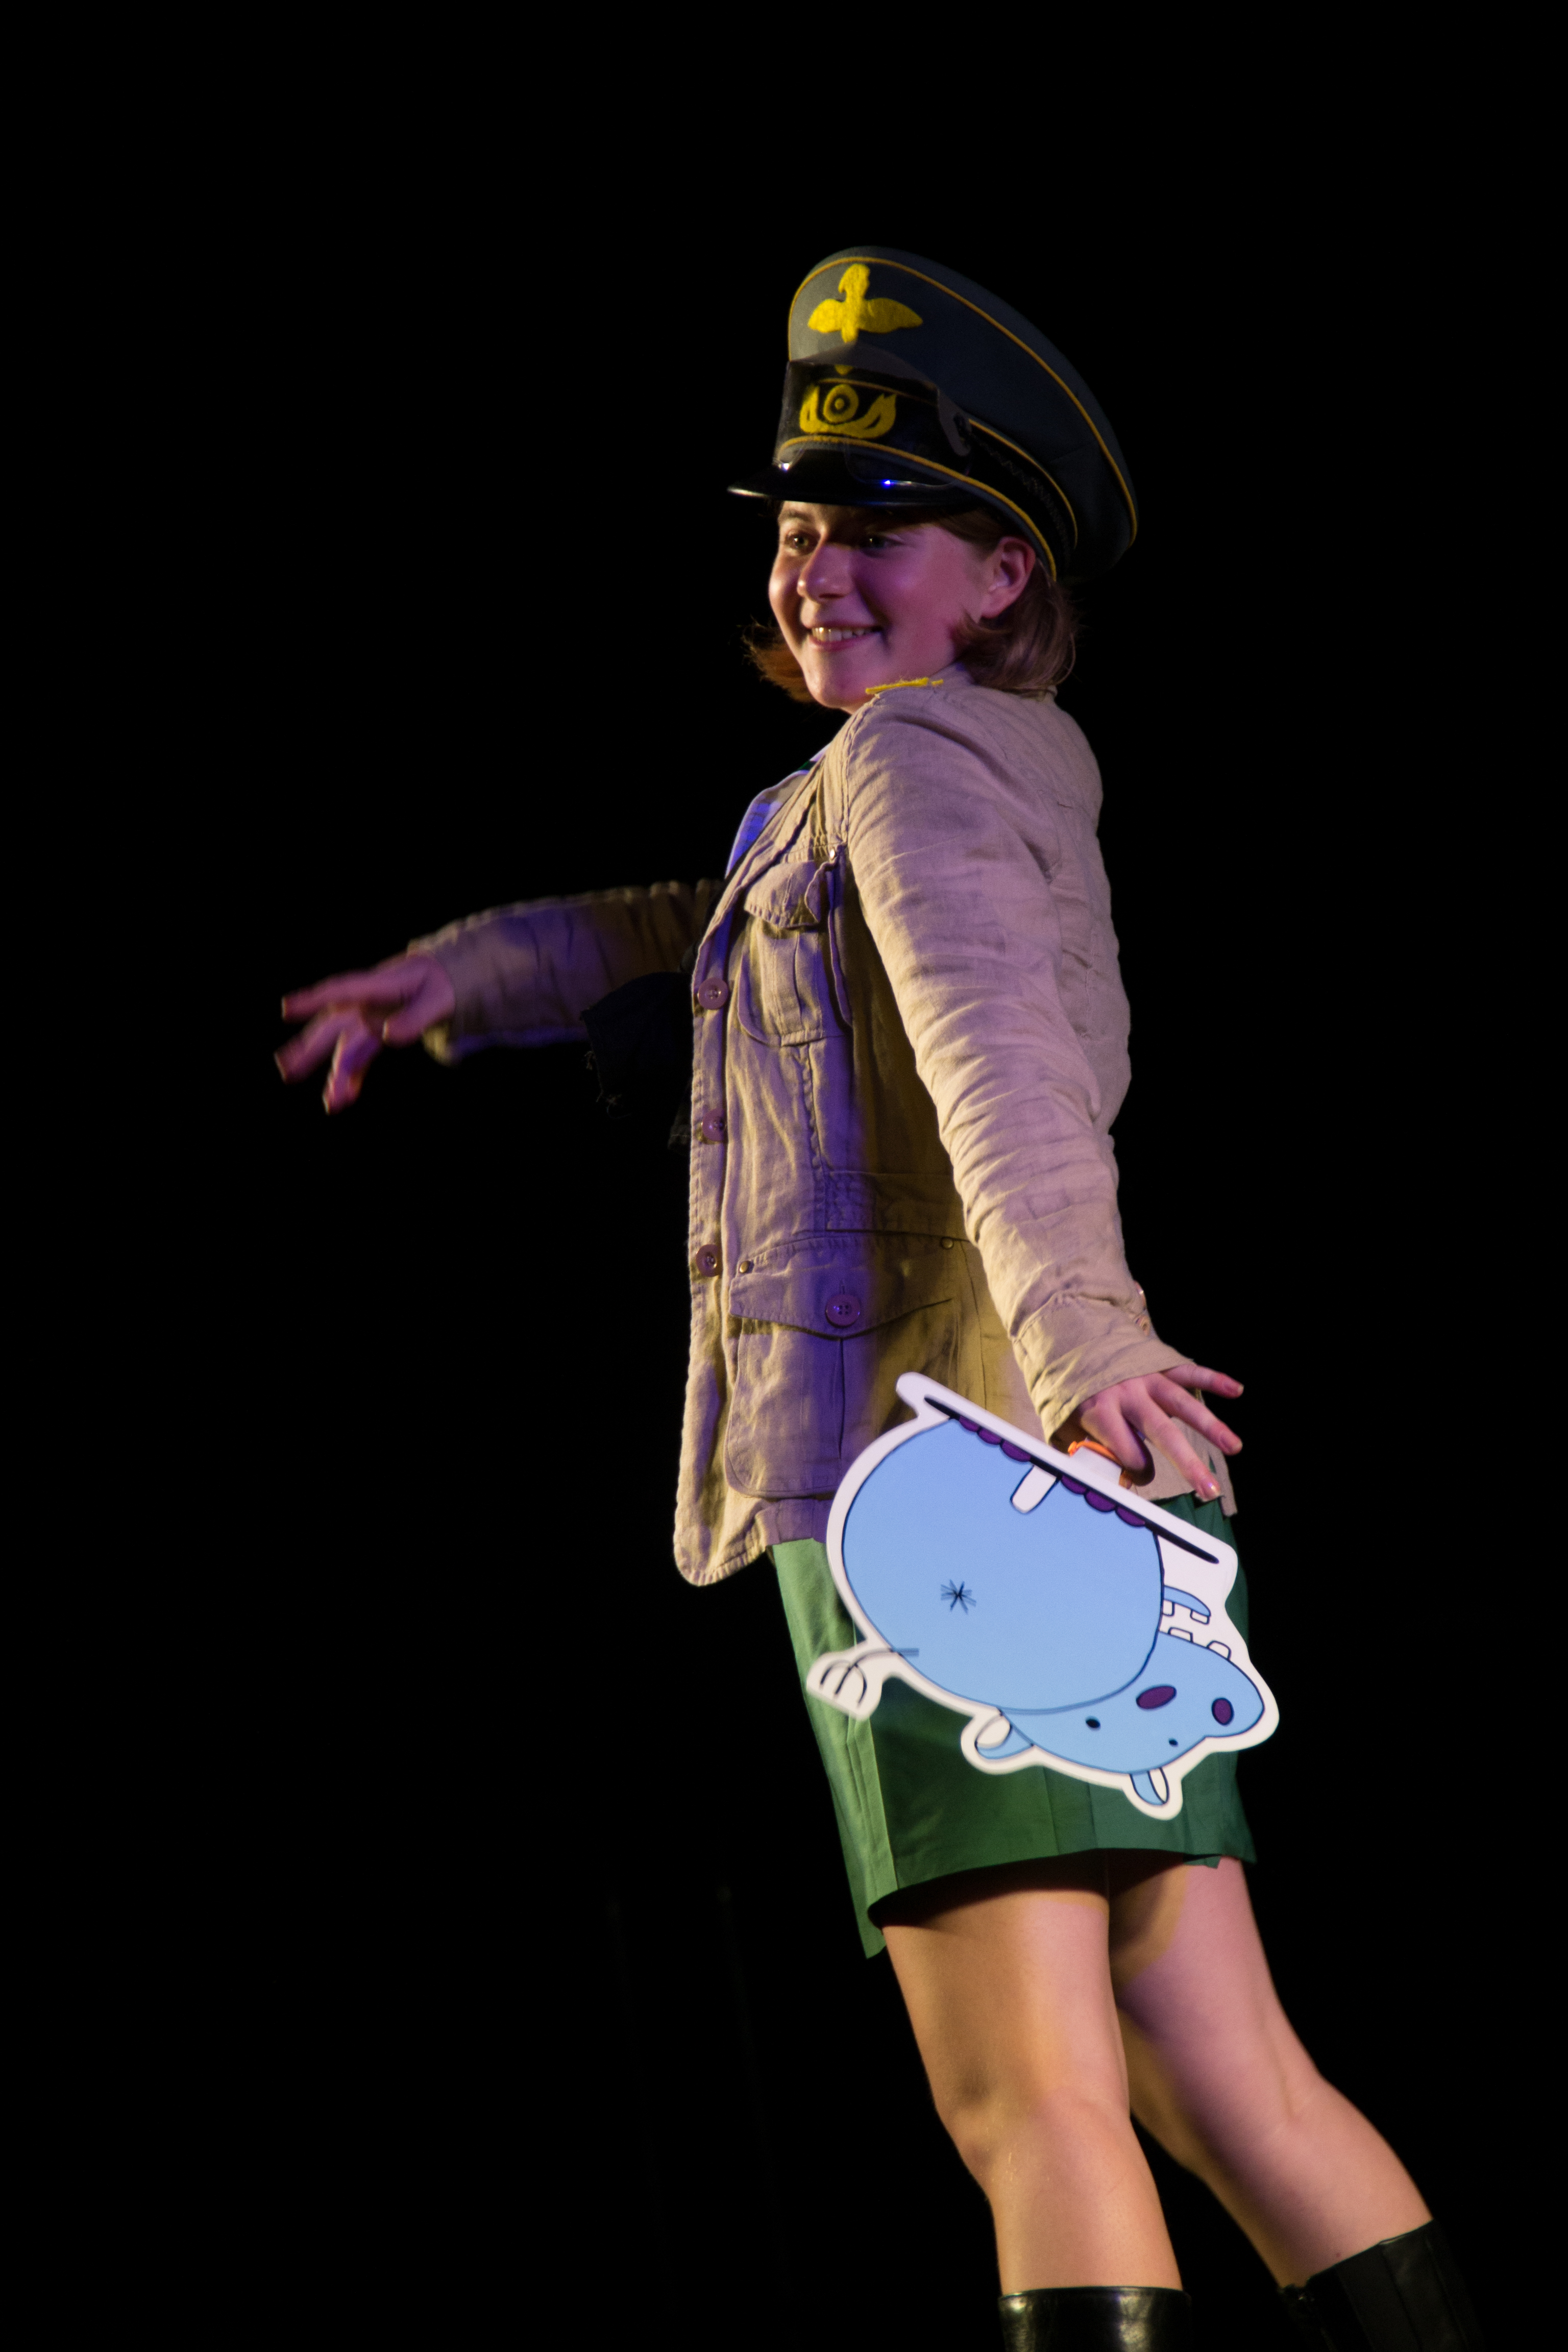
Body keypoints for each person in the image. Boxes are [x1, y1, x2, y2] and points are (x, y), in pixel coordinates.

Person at [277, 249, 1483, 2350]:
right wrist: (468, 980)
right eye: (803, 529)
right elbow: (697, 934)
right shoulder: (965, 772)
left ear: (1004, 574)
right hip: (1076, 1484)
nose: (818, 567)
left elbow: (995, 1059)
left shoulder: (914, 766)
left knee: (1034, 2101)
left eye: (880, 530)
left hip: (945, 1503)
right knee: (1231, 2078)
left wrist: (1090, 1333)